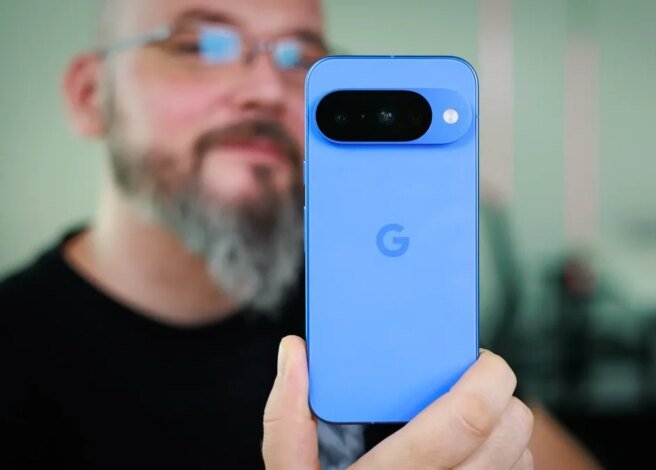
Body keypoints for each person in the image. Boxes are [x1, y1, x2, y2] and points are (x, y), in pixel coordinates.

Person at [0, 0, 598, 468]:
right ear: (90, 95)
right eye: (202, 46)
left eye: (299, 57)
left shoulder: (371, 296)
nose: (268, 89)